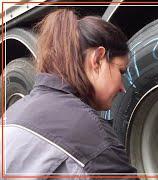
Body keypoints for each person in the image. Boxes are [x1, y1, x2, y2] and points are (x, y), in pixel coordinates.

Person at [4, 9, 137, 178]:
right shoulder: (89, 131)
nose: (122, 88)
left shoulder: (12, 114)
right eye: (121, 71)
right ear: (97, 59)